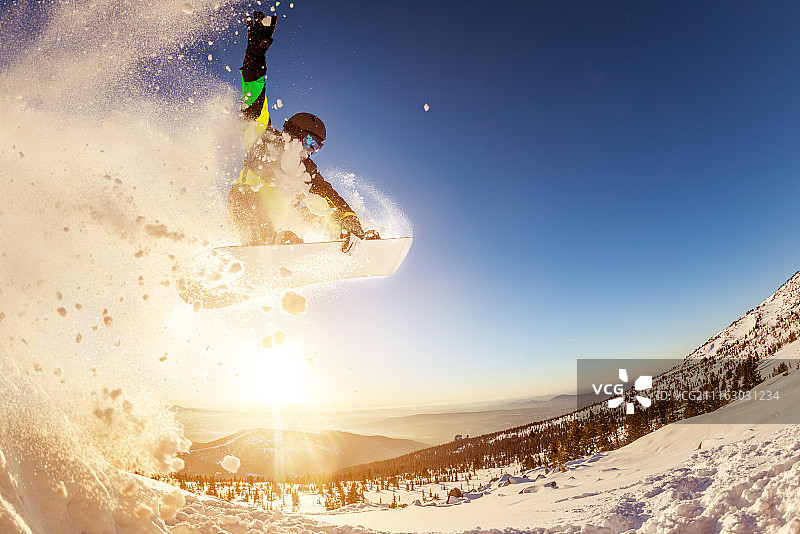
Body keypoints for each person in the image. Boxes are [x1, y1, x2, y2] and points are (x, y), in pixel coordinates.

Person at [227, 11, 378, 250]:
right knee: (250, 202)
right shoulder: (263, 139)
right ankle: (269, 241)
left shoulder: (306, 170)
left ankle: (348, 235)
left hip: (277, 220)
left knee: (316, 208)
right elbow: (253, 98)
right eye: (309, 142)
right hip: (245, 205)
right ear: (294, 132)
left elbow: (330, 196)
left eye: (317, 147)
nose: (310, 151)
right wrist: (255, 55)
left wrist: (349, 219)